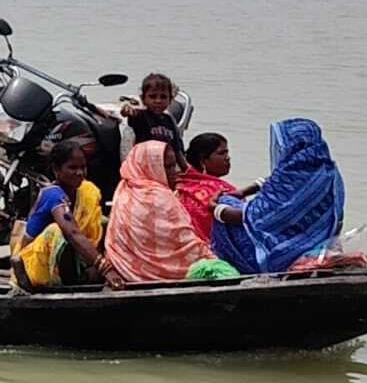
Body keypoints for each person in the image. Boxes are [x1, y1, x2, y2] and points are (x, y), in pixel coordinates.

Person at [209, 119, 346, 274]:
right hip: (322, 245)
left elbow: (249, 218)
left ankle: (243, 266)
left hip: (284, 257)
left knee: (226, 202)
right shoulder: (330, 173)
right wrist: (244, 192)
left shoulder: (288, 178)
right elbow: (276, 184)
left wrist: (216, 208)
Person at [12, 140, 122, 290]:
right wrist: (105, 269)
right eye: (72, 168)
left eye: (83, 167)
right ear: (56, 170)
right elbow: (72, 233)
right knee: (57, 232)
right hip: (34, 264)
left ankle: (87, 274)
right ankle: (72, 284)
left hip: (75, 258)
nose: (80, 173)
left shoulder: (87, 190)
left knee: (103, 221)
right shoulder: (53, 194)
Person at [103, 141, 215, 283]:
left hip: (126, 271)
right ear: (150, 167)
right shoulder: (160, 198)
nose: (175, 172)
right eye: (167, 167)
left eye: (174, 166)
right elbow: (188, 245)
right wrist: (211, 258)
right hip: (165, 276)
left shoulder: (124, 188)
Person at [176, 132, 263, 242]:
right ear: (203, 160)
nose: (228, 158)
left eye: (227, 153)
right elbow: (248, 219)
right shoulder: (221, 191)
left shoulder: (182, 185)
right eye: (221, 153)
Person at [119, 72, 186, 164]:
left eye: (163, 97)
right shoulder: (140, 116)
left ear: (170, 100)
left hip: (166, 166)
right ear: (143, 99)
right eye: (152, 96)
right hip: (145, 165)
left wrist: (187, 170)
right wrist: (127, 109)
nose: (158, 101)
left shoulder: (169, 120)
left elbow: (177, 150)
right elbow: (127, 113)